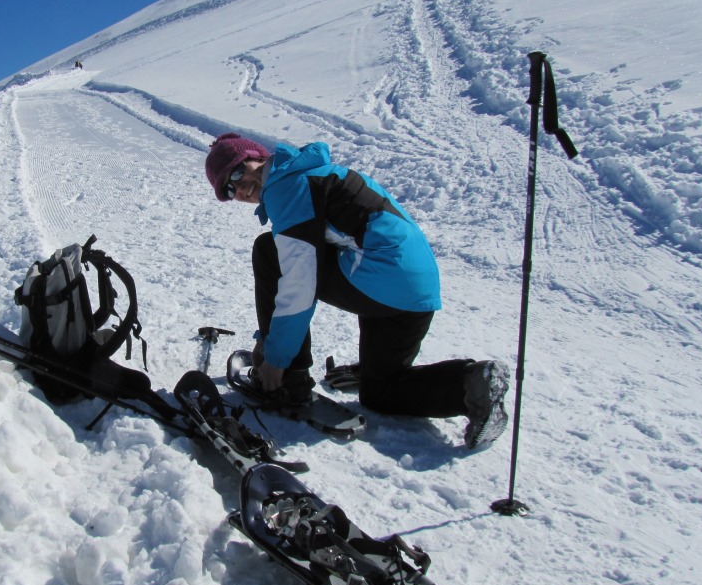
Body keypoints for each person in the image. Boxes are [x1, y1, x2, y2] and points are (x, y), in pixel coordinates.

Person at [205, 132, 509, 448]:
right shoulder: (313, 174)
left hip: (382, 278)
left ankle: (288, 384)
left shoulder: (287, 187)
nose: (239, 188)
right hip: (412, 291)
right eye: (228, 189)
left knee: (269, 251)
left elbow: (300, 282)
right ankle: (473, 385)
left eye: (238, 172)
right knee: (381, 393)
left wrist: (276, 355)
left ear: (259, 156)